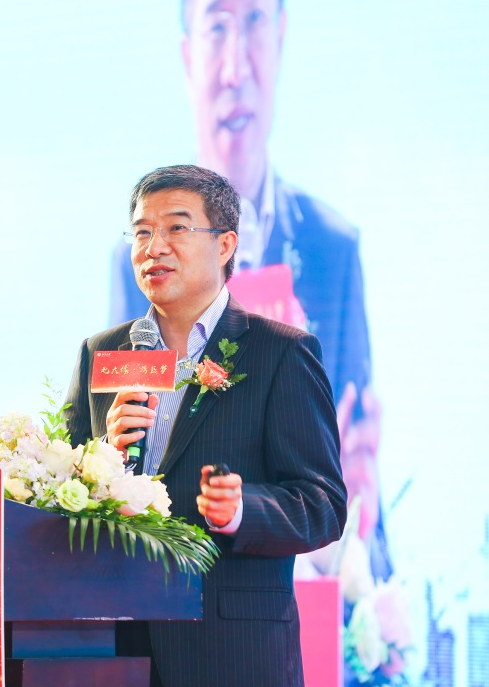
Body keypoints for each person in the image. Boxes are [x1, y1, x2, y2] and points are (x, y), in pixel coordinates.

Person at [108, 0, 389, 580]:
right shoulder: (134, 266)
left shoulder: (332, 249)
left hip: (277, 596)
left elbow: (348, 482)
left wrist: (359, 527)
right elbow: (108, 466)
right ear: (188, 55)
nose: (235, 68)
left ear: (281, 36)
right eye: (216, 27)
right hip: (160, 584)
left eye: (255, 19)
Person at [67, 165, 347, 687]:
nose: (154, 247)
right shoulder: (102, 353)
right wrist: (103, 452)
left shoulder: (281, 353)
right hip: (112, 646)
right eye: (142, 232)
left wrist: (242, 511)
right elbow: (62, 494)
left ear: (225, 245)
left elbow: (323, 506)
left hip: (229, 651)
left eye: (176, 228)